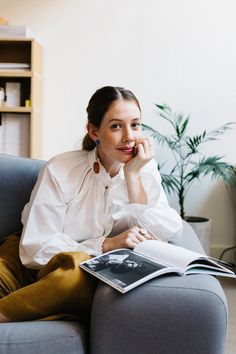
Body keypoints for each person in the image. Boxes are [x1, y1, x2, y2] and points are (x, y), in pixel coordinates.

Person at [0, 86, 183, 323]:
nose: (129, 136)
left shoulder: (143, 169)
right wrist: (105, 244)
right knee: (67, 265)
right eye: (116, 126)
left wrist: (133, 175)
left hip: (73, 275)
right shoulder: (61, 169)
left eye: (135, 125)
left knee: (75, 272)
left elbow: (168, 228)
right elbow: (35, 247)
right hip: (24, 263)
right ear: (94, 131)